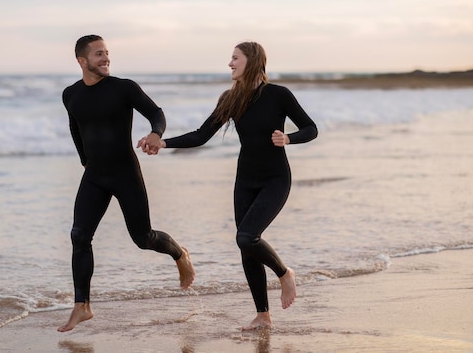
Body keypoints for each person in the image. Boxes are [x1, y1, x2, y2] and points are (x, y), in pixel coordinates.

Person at [139, 41, 317, 330]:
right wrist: (164, 143)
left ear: (253, 61)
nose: (230, 63)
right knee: (246, 246)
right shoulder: (230, 99)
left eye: (235, 58)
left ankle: (285, 274)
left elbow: (311, 128)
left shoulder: (278, 95)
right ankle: (263, 315)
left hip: (275, 179)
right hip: (245, 180)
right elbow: (200, 135)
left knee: (247, 237)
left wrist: (288, 138)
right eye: (231, 58)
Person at [59, 34, 195, 332]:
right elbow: (75, 125)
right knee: (79, 236)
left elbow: (155, 113)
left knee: (143, 238)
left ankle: (179, 253)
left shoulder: (123, 88)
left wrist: (156, 134)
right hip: (94, 175)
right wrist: (84, 159)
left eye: (106, 52)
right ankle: (82, 305)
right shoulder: (71, 94)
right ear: (82, 61)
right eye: (98, 54)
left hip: (125, 173)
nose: (105, 58)